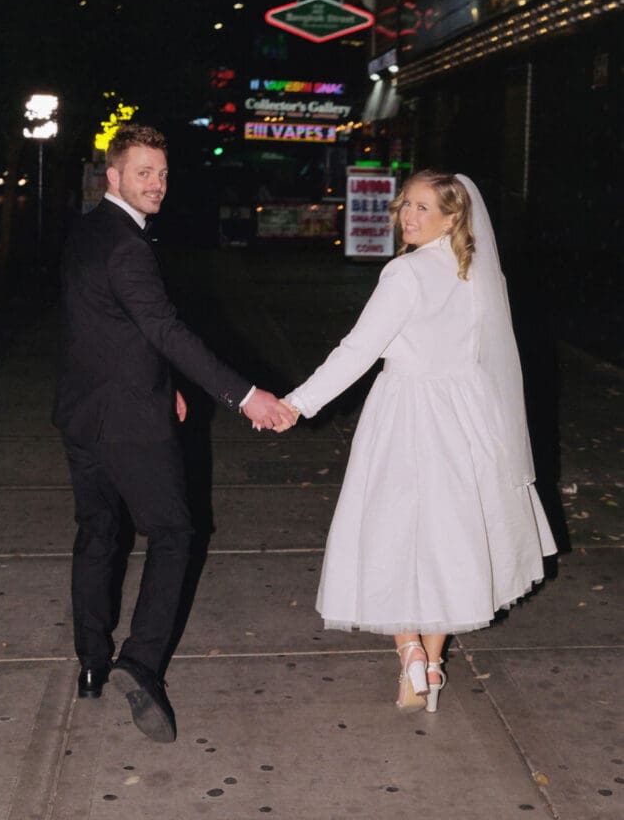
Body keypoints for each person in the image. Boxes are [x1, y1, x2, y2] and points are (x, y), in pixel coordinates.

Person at [53, 124, 296, 743]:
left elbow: (103, 322)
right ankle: (140, 661)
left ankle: (91, 663)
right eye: (144, 173)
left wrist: (168, 384)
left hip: (83, 414)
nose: (157, 184)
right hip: (130, 422)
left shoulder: (88, 230)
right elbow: (164, 329)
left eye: (162, 173)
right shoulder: (129, 246)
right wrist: (245, 396)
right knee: (174, 533)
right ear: (113, 176)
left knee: (99, 531)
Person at [283, 171, 556, 713]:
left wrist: (297, 403)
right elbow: (495, 356)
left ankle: (409, 650)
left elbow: (358, 350)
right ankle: (432, 662)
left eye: (424, 208)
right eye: (406, 204)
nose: (408, 215)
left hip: (408, 412)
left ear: (452, 218)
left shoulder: (404, 272)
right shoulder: (478, 271)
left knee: (395, 531)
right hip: (468, 412)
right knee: (452, 534)